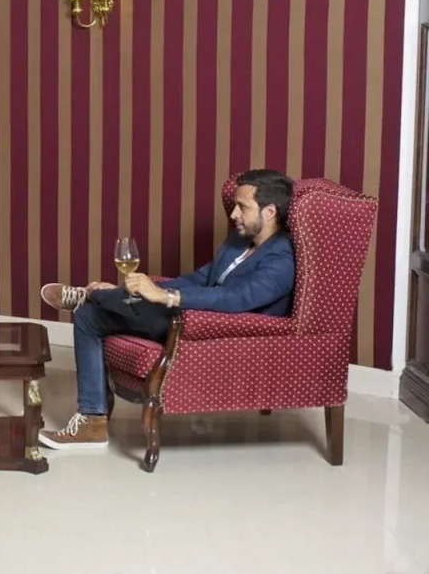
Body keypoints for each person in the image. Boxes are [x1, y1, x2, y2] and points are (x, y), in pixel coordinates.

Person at [37, 169, 296, 449]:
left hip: (214, 330)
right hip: (190, 313)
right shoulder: (238, 242)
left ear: (270, 211)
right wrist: (150, 287)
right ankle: (92, 421)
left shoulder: (281, 260)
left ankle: (91, 296)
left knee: (94, 311)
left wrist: (167, 296)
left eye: (242, 207)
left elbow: (235, 299)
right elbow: (199, 279)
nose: (233, 214)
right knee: (88, 316)